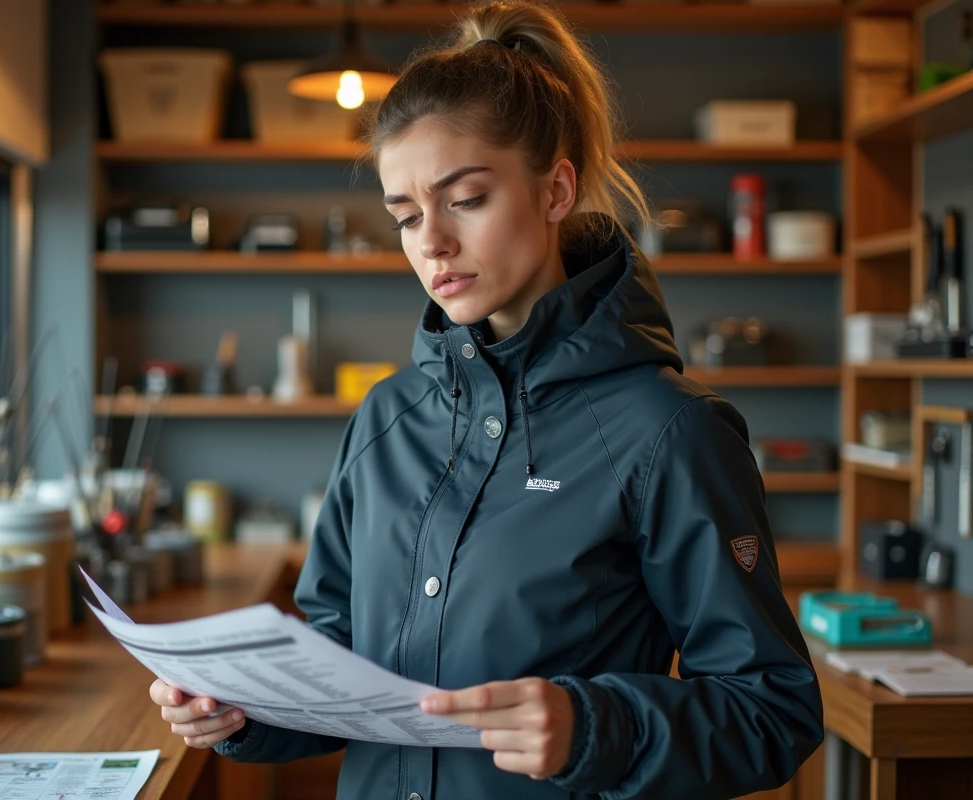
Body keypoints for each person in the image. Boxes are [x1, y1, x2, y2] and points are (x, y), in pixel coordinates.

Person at [149, 1, 825, 797]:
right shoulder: (384, 420)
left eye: (464, 198)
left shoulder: (671, 432)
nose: (430, 240)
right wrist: (245, 708)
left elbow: (772, 712)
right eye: (406, 215)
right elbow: (340, 656)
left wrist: (592, 726)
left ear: (555, 190)